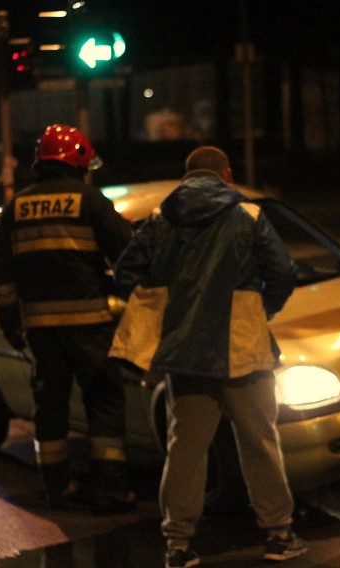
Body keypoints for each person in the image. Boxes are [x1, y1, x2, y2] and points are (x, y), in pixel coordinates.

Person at [108, 146, 307, 567]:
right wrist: (261, 309)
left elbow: (126, 273)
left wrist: (163, 308)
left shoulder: (162, 219)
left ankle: (178, 545)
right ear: (226, 175)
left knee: (186, 448)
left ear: (187, 177)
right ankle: (278, 534)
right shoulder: (247, 216)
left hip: (185, 355)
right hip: (244, 348)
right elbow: (284, 272)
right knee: (259, 442)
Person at [0, 124, 135, 514]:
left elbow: (2, 276)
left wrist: (11, 325)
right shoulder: (90, 201)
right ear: (77, 161)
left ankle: (56, 489)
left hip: (41, 332)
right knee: (104, 400)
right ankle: (109, 491)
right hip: (89, 327)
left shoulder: (15, 209)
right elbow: (127, 255)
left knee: (50, 409)